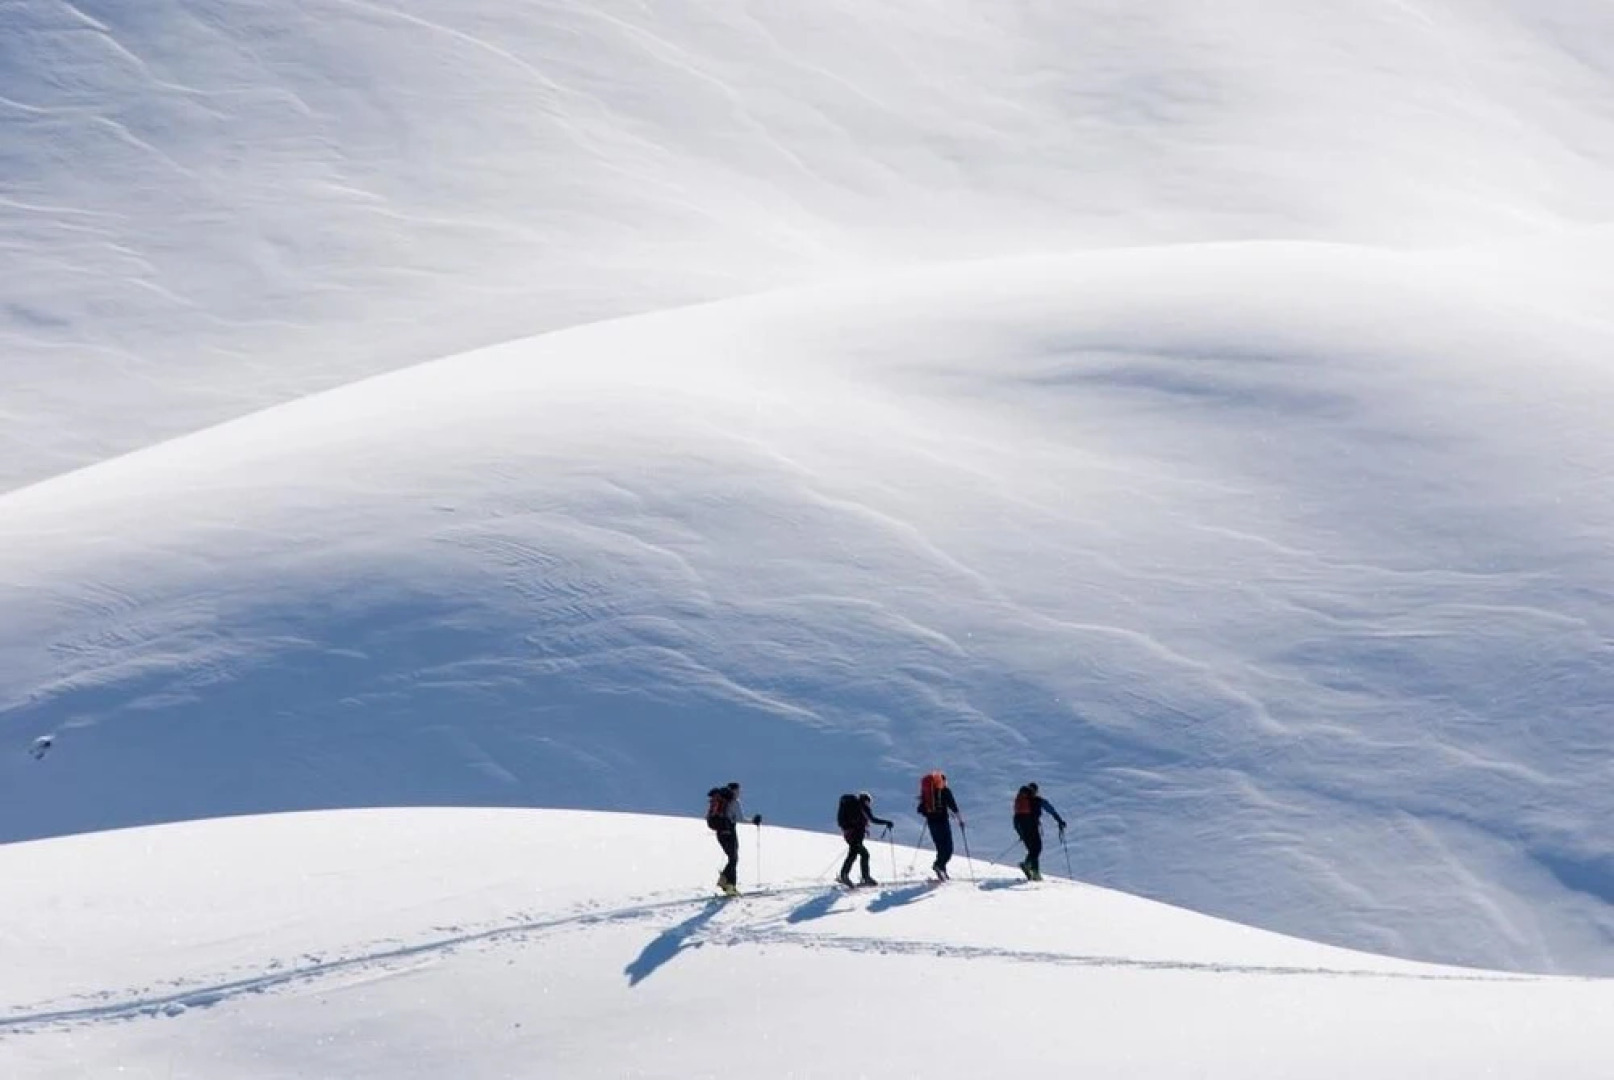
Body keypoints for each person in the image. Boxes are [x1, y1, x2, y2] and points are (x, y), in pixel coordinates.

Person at [707, 782, 761, 896]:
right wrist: (753, 821)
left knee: (732, 858)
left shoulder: (721, 801)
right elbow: (740, 819)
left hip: (720, 832)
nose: (739, 793)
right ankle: (729, 886)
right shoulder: (734, 802)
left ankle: (726, 883)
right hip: (729, 831)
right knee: (734, 858)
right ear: (734, 790)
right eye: (738, 791)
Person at [837, 792, 894, 887]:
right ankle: (863, 877)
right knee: (864, 854)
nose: (869, 804)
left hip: (849, 834)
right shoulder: (862, 807)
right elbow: (873, 819)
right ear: (865, 800)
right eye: (868, 802)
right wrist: (886, 822)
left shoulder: (855, 807)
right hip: (855, 835)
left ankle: (846, 875)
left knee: (853, 855)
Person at [1012, 782, 1066, 881]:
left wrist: (1020, 833)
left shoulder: (1020, 800)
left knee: (1032, 850)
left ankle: (1028, 867)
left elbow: (1016, 818)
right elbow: (1051, 809)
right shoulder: (1038, 800)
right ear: (1035, 791)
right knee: (1036, 848)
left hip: (1020, 826)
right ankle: (1034, 872)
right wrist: (1059, 821)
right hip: (1031, 826)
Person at [916, 770, 964, 880]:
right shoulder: (945, 791)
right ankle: (938, 865)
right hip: (942, 822)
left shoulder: (928, 793)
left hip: (932, 823)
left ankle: (942, 870)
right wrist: (960, 820)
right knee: (948, 848)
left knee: (940, 847)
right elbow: (953, 806)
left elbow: (920, 808)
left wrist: (929, 813)